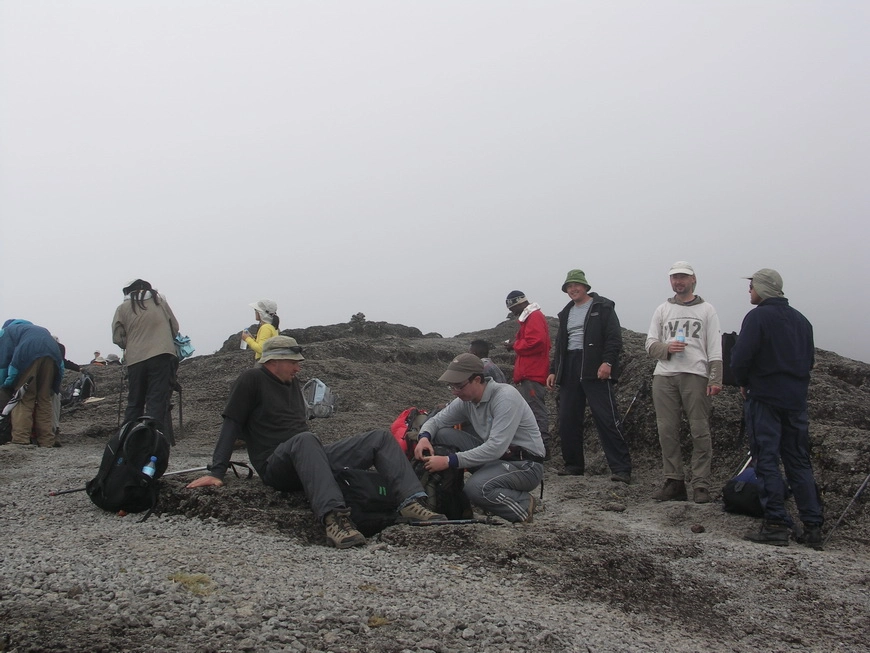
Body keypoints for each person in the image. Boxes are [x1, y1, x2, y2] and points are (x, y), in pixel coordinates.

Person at [186, 336, 446, 549]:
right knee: (305, 440)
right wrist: (216, 471)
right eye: (293, 362)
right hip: (275, 464)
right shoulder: (251, 379)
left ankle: (412, 503)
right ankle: (335, 520)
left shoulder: (292, 382)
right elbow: (231, 423)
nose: (298, 368)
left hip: (308, 455)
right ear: (274, 361)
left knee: (379, 437)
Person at [730, 269, 823, 548]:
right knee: (798, 460)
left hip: (765, 400)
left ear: (763, 288)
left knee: (766, 458)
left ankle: (775, 524)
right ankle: (813, 526)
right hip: (795, 401)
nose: (749, 291)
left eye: (752, 286)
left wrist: (744, 382)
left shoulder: (757, 317)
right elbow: (809, 361)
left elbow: (741, 358)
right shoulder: (802, 321)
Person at [413, 353, 546, 523]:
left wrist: (448, 460)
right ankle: (452, 495)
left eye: (459, 386)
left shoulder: (505, 397)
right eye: (452, 387)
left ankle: (524, 504)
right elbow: (437, 421)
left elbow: (495, 447)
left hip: (525, 465)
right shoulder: (466, 400)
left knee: (476, 488)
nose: (455, 392)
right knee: (441, 434)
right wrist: (424, 437)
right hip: (497, 459)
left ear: (477, 379)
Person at [645, 261, 722, 504]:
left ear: (693, 279)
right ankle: (674, 481)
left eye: (683, 277)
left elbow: (715, 347)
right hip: (664, 375)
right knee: (667, 430)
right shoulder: (662, 309)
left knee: (699, 429)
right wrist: (667, 348)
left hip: (695, 374)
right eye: (674, 278)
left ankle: (701, 484)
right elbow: (649, 344)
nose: (678, 282)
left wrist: (716, 376)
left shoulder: (707, 310)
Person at [546, 270, 632, 482]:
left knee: (606, 417)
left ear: (585, 286)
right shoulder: (566, 312)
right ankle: (573, 465)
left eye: (576, 285)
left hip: (595, 366)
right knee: (567, 417)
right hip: (570, 367)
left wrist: (607, 362)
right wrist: (553, 369)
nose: (572, 289)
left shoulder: (603, 306)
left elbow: (613, 338)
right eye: (568, 286)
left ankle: (621, 469)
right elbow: (561, 344)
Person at [112, 279, 180, 438]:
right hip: (162, 355)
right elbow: (175, 328)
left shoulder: (122, 308)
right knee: (156, 401)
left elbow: (118, 338)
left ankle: (126, 439)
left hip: (136, 359)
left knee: (135, 401)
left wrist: (131, 343)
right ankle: (153, 439)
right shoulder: (160, 302)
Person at [0, 320, 64, 447]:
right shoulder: (40, 330)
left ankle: (21, 439)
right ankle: (46, 440)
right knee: (44, 399)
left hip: (27, 355)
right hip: (52, 356)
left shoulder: (7, 332)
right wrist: (55, 384)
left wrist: (5, 383)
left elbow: (4, 361)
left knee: (23, 398)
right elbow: (60, 364)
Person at [504, 291, 551, 456]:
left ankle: (542, 448)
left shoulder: (534, 317)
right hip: (529, 373)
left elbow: (536, 341)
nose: (513, 312)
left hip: (533, 373)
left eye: (513, 308)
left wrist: (515, 345)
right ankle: (536, 447)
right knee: (532, 410)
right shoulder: (530, 317)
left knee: (535, 410)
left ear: (518, 303)